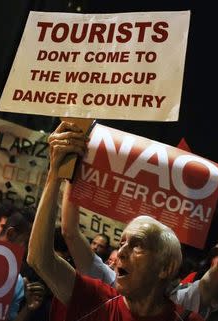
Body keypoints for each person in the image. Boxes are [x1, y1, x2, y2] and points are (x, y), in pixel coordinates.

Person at [27, 121, 202, 321]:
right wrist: (55, 173)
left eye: (137, 245)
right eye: (121, 243)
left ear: (165, 268)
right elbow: (40, 259)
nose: (121, 252)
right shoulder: (96, 299)